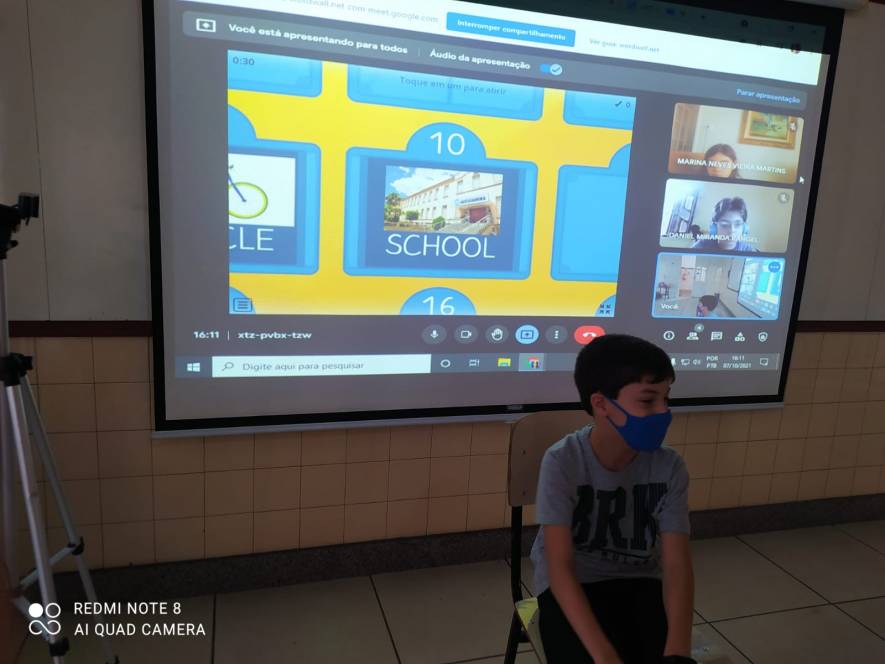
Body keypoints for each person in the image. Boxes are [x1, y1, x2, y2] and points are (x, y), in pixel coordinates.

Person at [531, 334, 695, 664]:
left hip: (639, 582)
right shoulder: (562, 461)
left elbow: (677, 564)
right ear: (601, 404)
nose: (664, 411)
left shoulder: (670, 466)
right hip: (573, 586)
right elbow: (559, 567)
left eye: (666, 398)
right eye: (648, 401)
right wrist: (605, 657)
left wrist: (678, 651)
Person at [692, 197, 757, 252]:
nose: (732, 230)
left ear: (744, 229)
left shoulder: (749, 251)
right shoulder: (700, 247)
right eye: (725, 225)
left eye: (738, 224)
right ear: (714, 228)